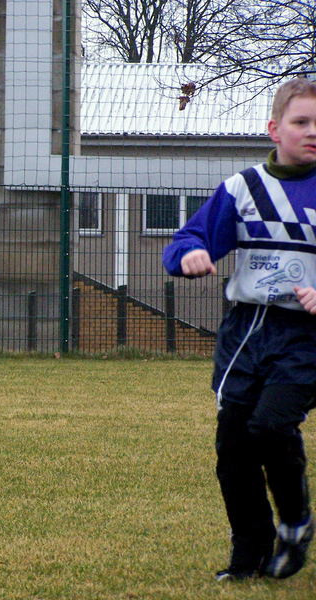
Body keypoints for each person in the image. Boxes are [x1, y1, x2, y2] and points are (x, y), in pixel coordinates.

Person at [163, 77, 316, 582]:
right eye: (301, 122)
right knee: (234, 449)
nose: (312, 132)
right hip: (246, 333)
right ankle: (248, 553)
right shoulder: (243, 188)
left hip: (305, 337)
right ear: (274, 128)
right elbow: (188, 236)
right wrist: (188, 254)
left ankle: (295, 523)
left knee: (271, 426)